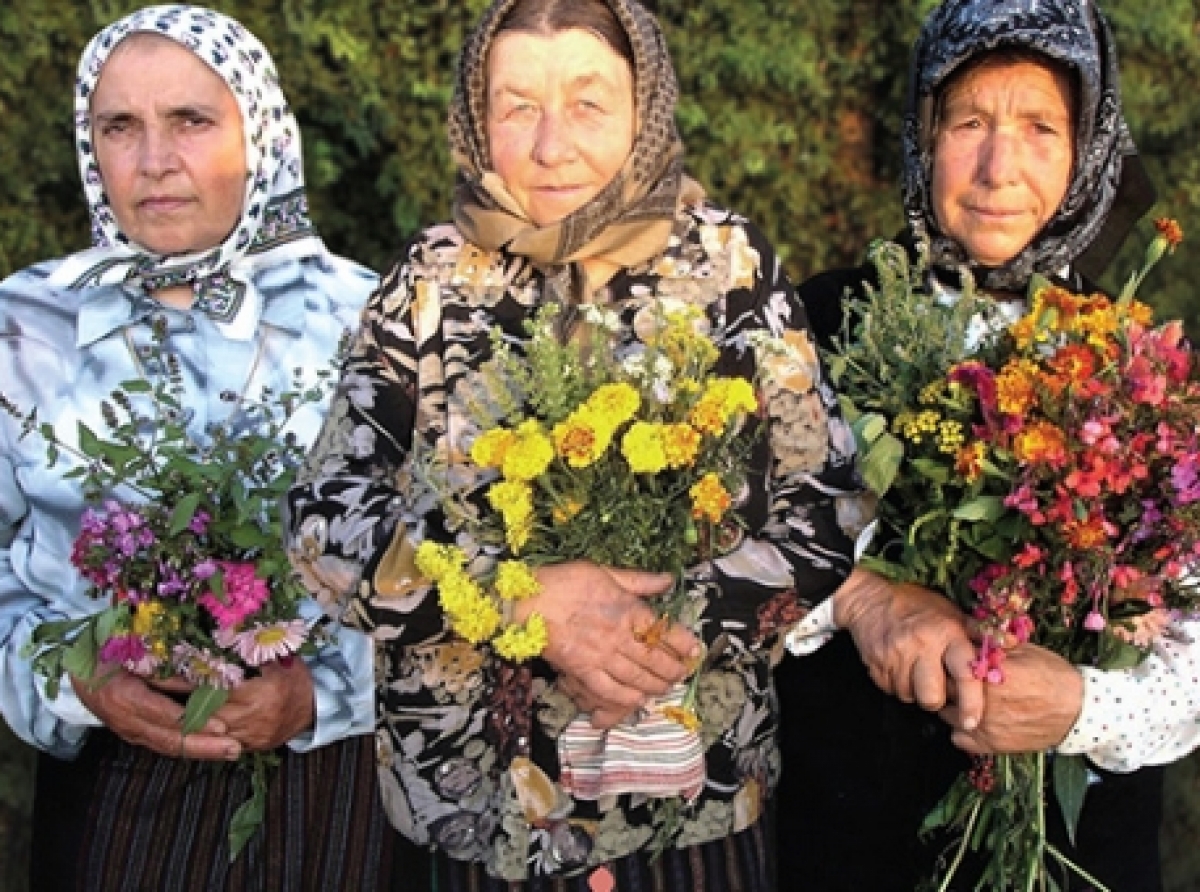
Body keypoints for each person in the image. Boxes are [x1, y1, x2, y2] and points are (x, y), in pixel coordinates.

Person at [284, 0, 862, 888]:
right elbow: (325, 527)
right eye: (517, 106)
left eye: (587, 103)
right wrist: (521, 604)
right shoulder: (429, 284)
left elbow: (824, 506)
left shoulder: (728, 268)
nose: (551, 145)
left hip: (692, 818)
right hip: (471, 817)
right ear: (477, 121)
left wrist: (656, 631)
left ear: (646, 110)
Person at [775, 1, 1200, 890]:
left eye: (1041, 126)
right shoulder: (818, 325)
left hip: (1079, 856)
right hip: (852, 844)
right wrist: (863, 595)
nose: (999, 167)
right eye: (969, 122)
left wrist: (1080, 705)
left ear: (1089, 148)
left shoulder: (1138, 366)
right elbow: (727, 550)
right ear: (923, 136)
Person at [0, 6, 409, 890]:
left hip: (333, 792)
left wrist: (317, 695)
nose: (154, 162)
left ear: (258, 132)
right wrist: (79, 677)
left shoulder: (378, 322)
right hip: (111, 787)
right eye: (121, 127)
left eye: (191, 121)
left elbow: (458, 574)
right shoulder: (25, 326)